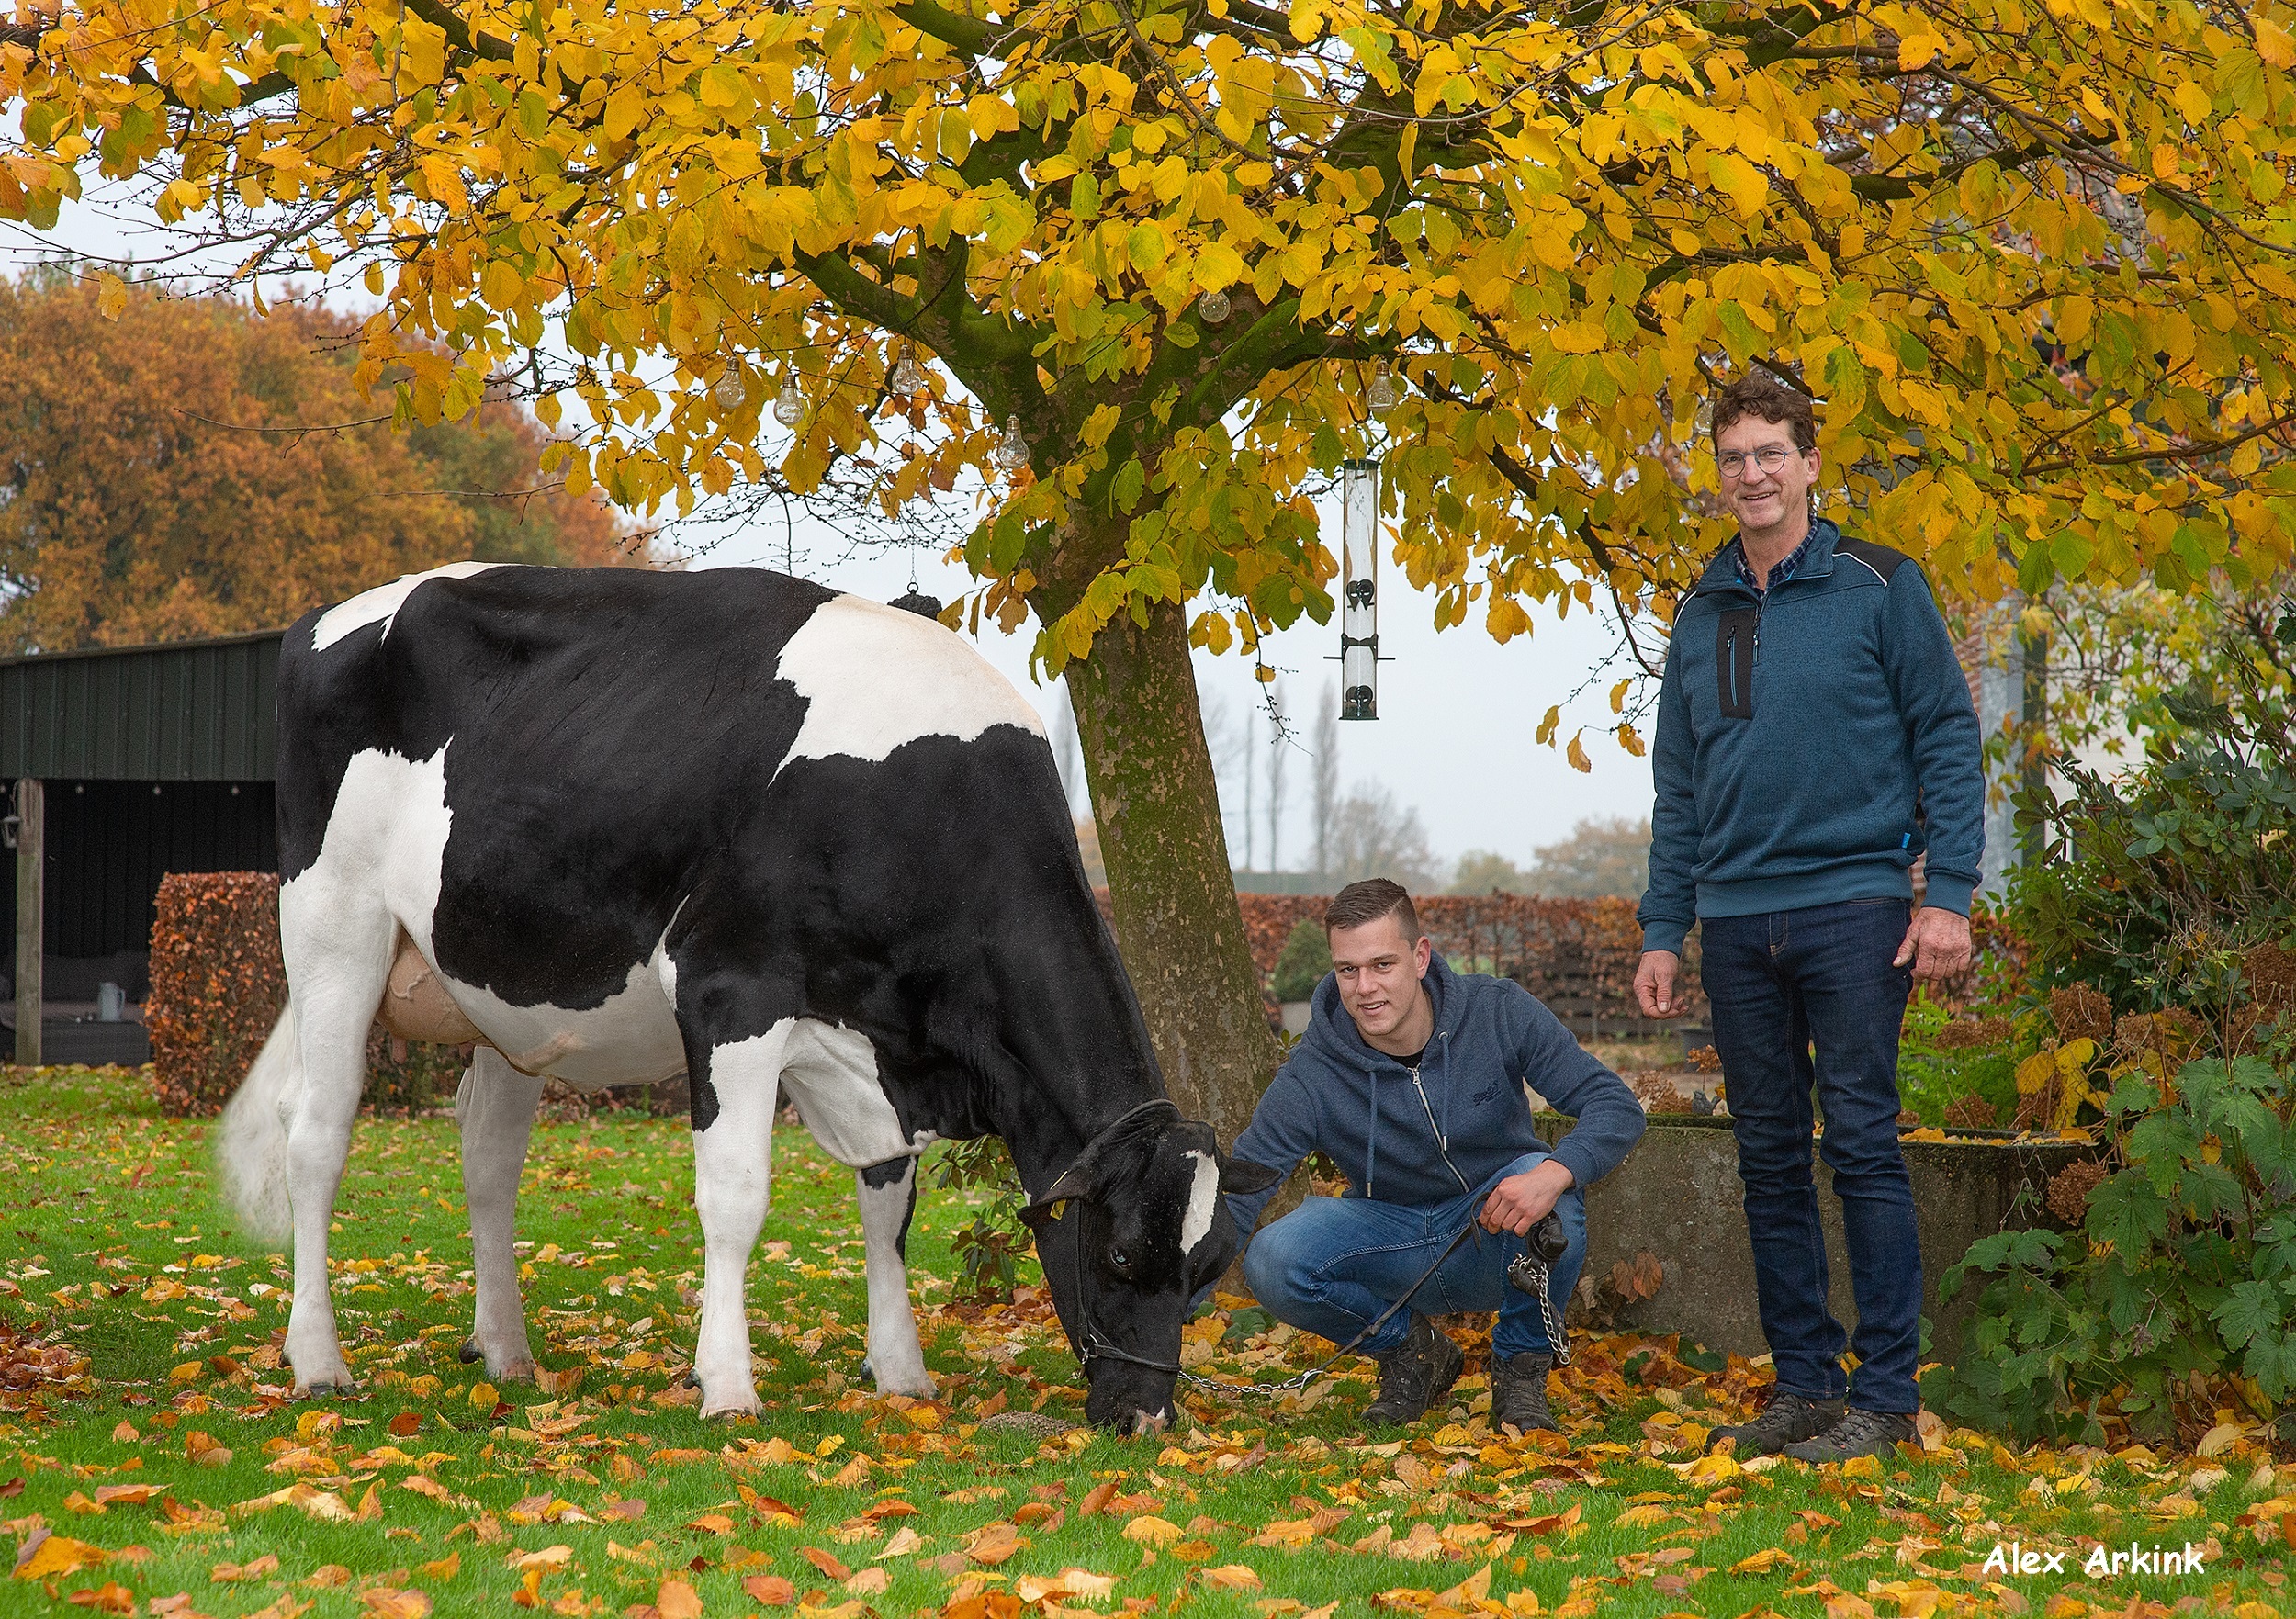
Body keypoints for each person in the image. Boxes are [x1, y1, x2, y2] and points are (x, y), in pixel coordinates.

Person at [1634, 374, 1984, 1462]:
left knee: (1865, 1148)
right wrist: (1661, 924)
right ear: (1718, 470)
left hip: (1853, 909)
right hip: (1736, 923)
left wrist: (1950, 896)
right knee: (1769, 1157)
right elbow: (1678, 784)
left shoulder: (1881, 584)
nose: (1752, 472)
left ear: (1810, 462)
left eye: (1770, 452)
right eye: (1734, 455)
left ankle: (1883, 1400)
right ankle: (1802, 1387)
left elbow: (1947, 739)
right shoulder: (1699, 611)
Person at [1225, 879, 1646, 1433]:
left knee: (1551, 1198)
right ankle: (1413, 1354)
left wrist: (1555, 1171)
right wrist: (1161, 1311)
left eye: (1382, 965)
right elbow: (1242, 1189)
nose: (1364, 988)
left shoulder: (1496, 1011)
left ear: (1419, 957)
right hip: (1391, 1242)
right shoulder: (1313, 1073)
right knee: (1273, 1256)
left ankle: (1519, 1378)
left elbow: (1614, 1105)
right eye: (1347, 970)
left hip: (1491, 1233)